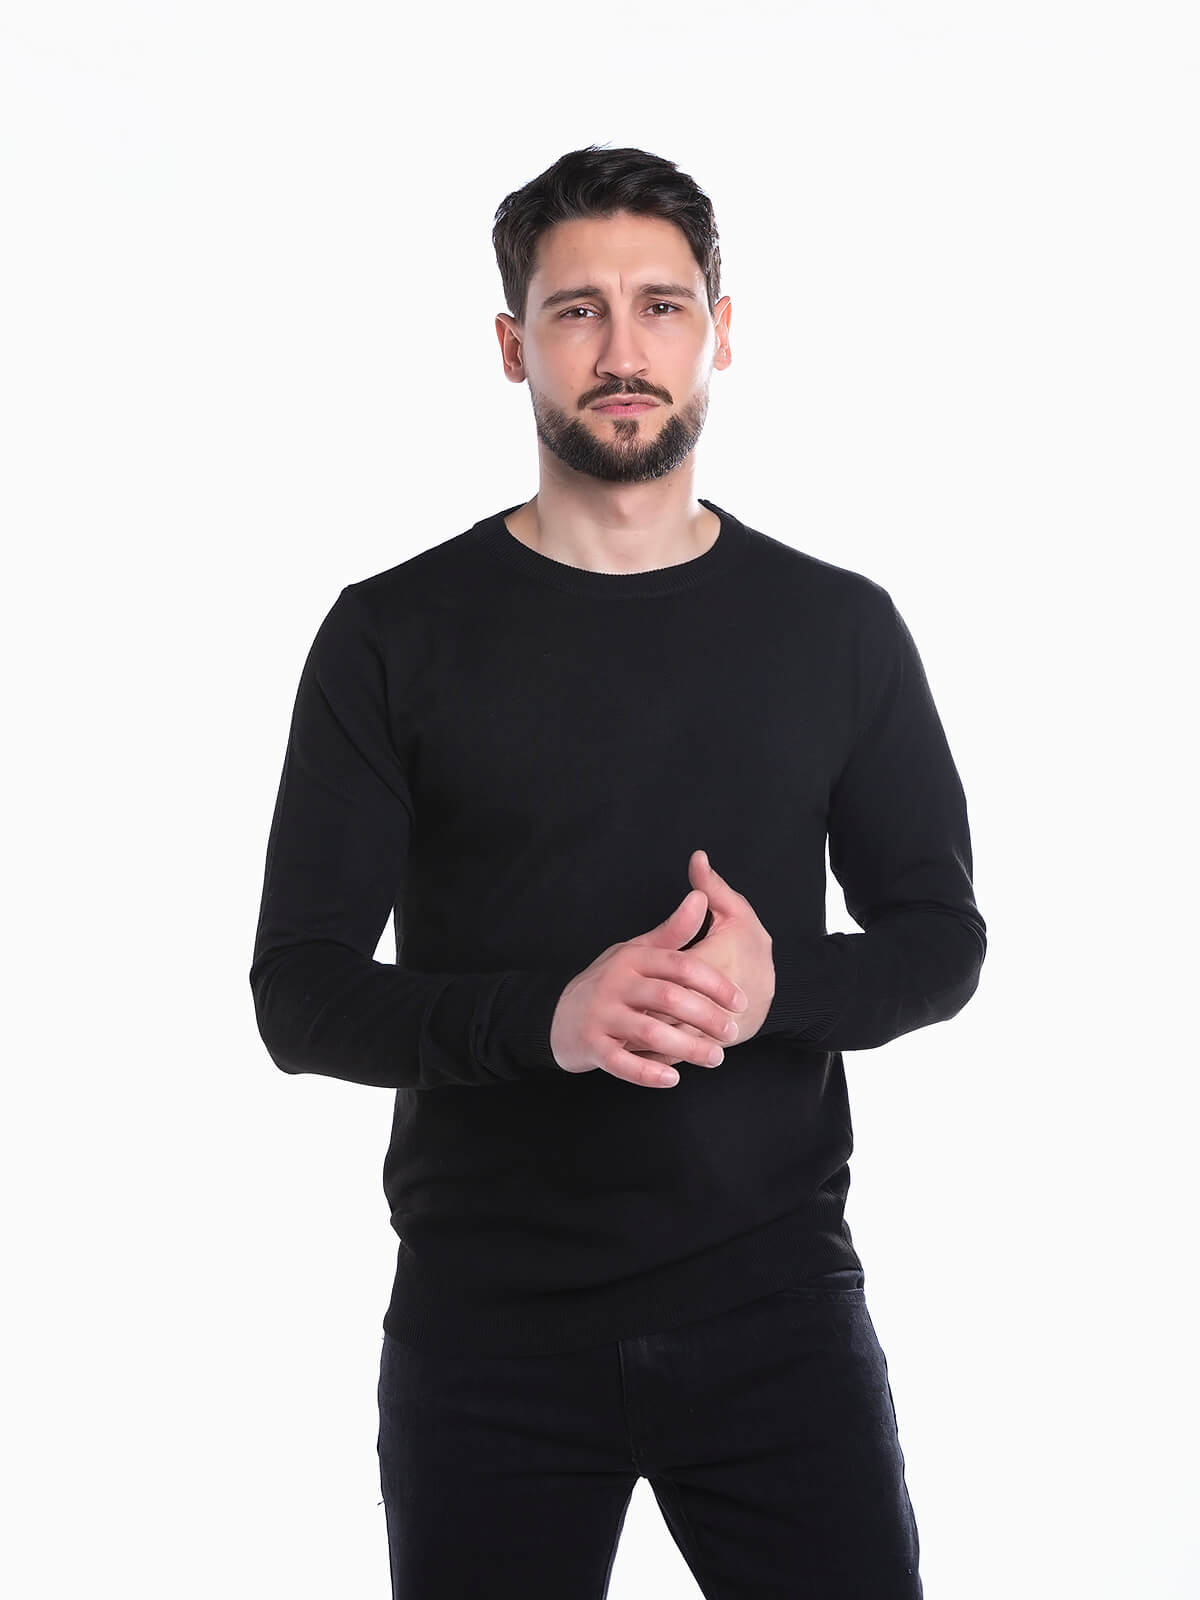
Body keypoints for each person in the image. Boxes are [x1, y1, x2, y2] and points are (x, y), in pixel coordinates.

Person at [249, 142, 987, 1600]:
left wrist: (776, 990)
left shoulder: (836, 627)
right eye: (577, 310)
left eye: (661, 305)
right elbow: (300, 994)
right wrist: (551, 1019)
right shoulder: (390, 635)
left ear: (722, 331)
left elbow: (941, 939)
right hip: (486, 1332)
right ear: (512, 344)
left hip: (775, 1310)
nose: (623, 349)